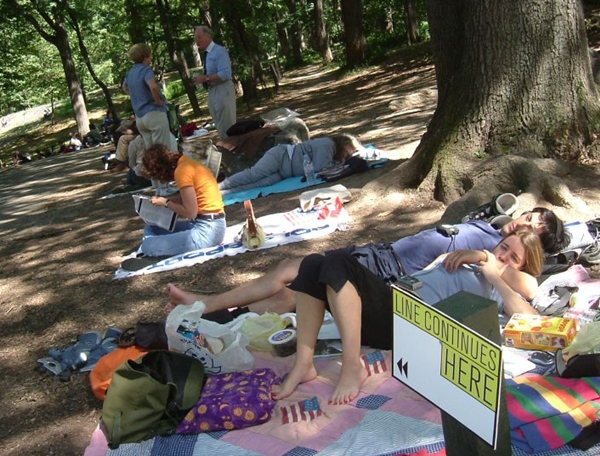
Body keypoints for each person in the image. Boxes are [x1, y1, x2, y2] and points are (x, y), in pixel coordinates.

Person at [272, 229, 544, 404]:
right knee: (312, 264)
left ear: (523, 266)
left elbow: (531, 312)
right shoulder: (472, 264)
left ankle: (352, 365)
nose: (503, 255)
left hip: (411, 322)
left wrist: (494, 270)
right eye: (503, 247)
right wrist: (479, 258)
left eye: (514, 256)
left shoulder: (499, 283)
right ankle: (304, 363)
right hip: (392, 304)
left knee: (337, 262)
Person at [165, 207, 568, 315]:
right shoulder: (493, 232)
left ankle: (207, 305)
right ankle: (212, 312)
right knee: (298, 291)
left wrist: (489, 259)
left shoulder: (509, 268)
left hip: (390, 273)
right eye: (526, 216)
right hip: (384, 255)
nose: (519, 224)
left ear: (532, 252)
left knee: (296, 273)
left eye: (529, 229)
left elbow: (527, 291)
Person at [138, 143, 226, 257]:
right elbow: (190, 197)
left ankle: (158, 246)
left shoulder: (182, 171)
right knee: (151, 228)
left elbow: (190, 212)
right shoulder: (188, 163)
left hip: (207, 230)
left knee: (147, 246)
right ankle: (164, 245)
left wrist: (166, 203)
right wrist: (164, 200)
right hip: (212, 224)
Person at [218, 135, 363, 194]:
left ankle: (224, 193)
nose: (345, 158)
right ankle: (219, 187)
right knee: (254, 174)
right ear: (342, 145)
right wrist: (340, 165)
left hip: (286, 171)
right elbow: (321, 168)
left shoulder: (332, 152)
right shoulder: (328, 145)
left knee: (262, 183)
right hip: (280, 157)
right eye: (346, 154)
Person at [123, 43, 178, 152]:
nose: (151, 58)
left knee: (151, 152)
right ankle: (165, 168)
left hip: (140, 118)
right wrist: (158, 101)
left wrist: (136, 95)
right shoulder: (146, 70)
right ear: (145, 56)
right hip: (153, 113)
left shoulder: (131, 72)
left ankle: (154, 169)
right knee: (163, 150)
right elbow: (153, 87)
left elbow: (124, 87)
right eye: (150, 55)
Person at [193, 26, 236, 139]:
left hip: (223, 89)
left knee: (227, 125)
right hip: (213, 90)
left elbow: (226, 74)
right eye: (195, 38)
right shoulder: (207, 54)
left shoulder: (219, 51)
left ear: (208, 36)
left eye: (199, 37)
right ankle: (227, 149)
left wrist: (206, 78)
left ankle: (233, 149)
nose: (197, 41)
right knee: (219, 125)